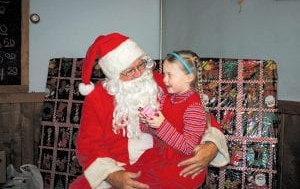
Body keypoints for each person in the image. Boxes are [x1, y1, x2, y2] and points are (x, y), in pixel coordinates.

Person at [70, 32, 229, 189]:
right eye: (129, 71)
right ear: (114, 75)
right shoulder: (97, 97)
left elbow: (197, 111)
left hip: (162, 163)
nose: (139, 73)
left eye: (140, 64)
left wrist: (211, 145)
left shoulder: (162, 81)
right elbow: (88, 145)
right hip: (118, 167)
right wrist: (112, 176)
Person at [138, 50, 209, 188]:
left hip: (182, 167)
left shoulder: (194, 108)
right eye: (164, 74)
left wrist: (161, 125)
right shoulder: (165, 98)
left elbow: (189, 148)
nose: (164, 80)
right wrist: (147, 123)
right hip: (161, 158)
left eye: (170, 75)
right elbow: (157, 133)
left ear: (189, 77)